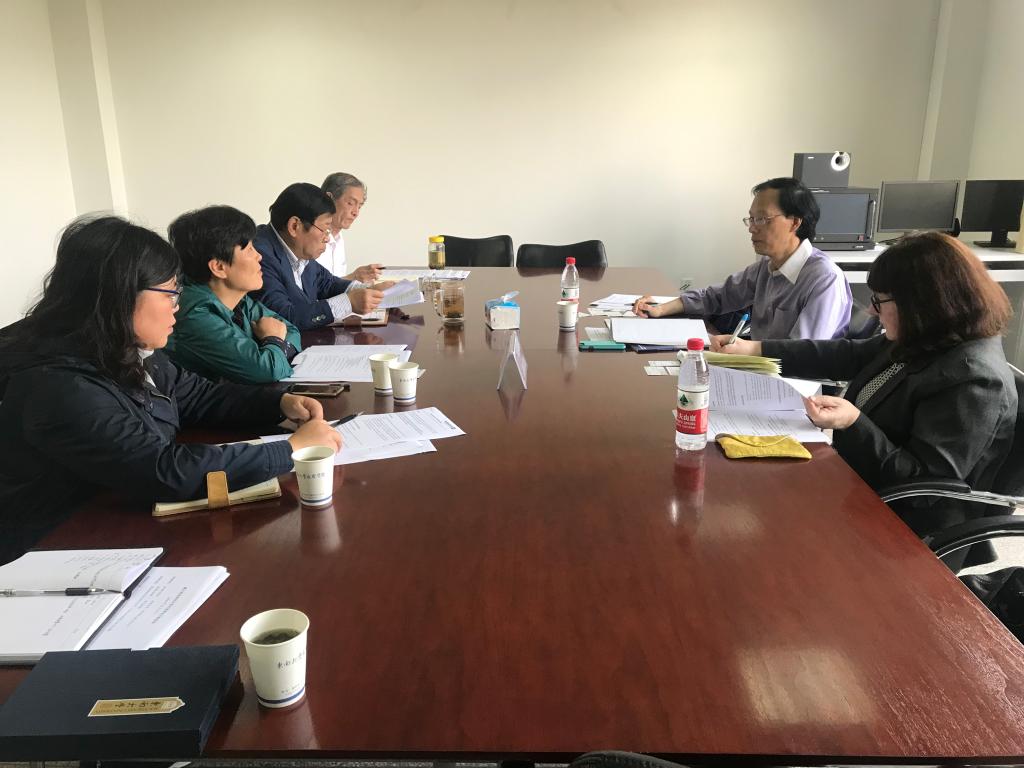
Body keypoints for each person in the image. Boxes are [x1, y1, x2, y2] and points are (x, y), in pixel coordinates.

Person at [0, 215, 343, 565]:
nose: (177, 305)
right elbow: (162, 470)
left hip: (110, 524)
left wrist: (280, 403)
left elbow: (198, 396)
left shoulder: (123, 349)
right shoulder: (60, 386)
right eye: (169, 293)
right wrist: (291, 450)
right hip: (46, 556)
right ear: (119, 297)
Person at [713, 232, 1016, 539]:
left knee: (758, 519)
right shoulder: (929, 336)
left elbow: (921, 486)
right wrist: (755, 349)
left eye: (880, 300)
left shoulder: (973, 380)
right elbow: (847, 354)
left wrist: (853, 421)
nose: (872, 311)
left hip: (903, 526)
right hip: (858, 482)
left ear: (923, 303)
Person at [633, 177, 852, 340]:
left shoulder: (824, 278)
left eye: (762, 219)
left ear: (795, 222)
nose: (752, 228)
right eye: (751, 219)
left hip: (798, 383)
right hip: (760, 371)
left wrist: (744, 351)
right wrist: (661, 309)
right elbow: (717, 296)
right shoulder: (767, 267)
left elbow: (803, 354)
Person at [164, 205, 302, 384]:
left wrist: (273, 350)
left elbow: (291, 330)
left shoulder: (237, 299)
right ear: (219, 267)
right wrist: (273, 340)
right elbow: (267, 371)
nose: (259, 256)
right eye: (249, 250)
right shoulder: (195, 315)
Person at [252, 182, 386, 330]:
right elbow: (283, 318)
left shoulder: (297, 248)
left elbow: (327, 284)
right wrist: (348, 303)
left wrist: (368, 290)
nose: (327, 238)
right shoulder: (258, 256)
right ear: (294, 226)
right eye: (325, 230)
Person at [320, 172, 383, 283]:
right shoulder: (311, 236)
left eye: (360, 206)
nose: (356, 212)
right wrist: (353, 278)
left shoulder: (339, 238)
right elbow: (311, 289)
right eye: (350, 203)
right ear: (329, 199)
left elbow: (335, 288)